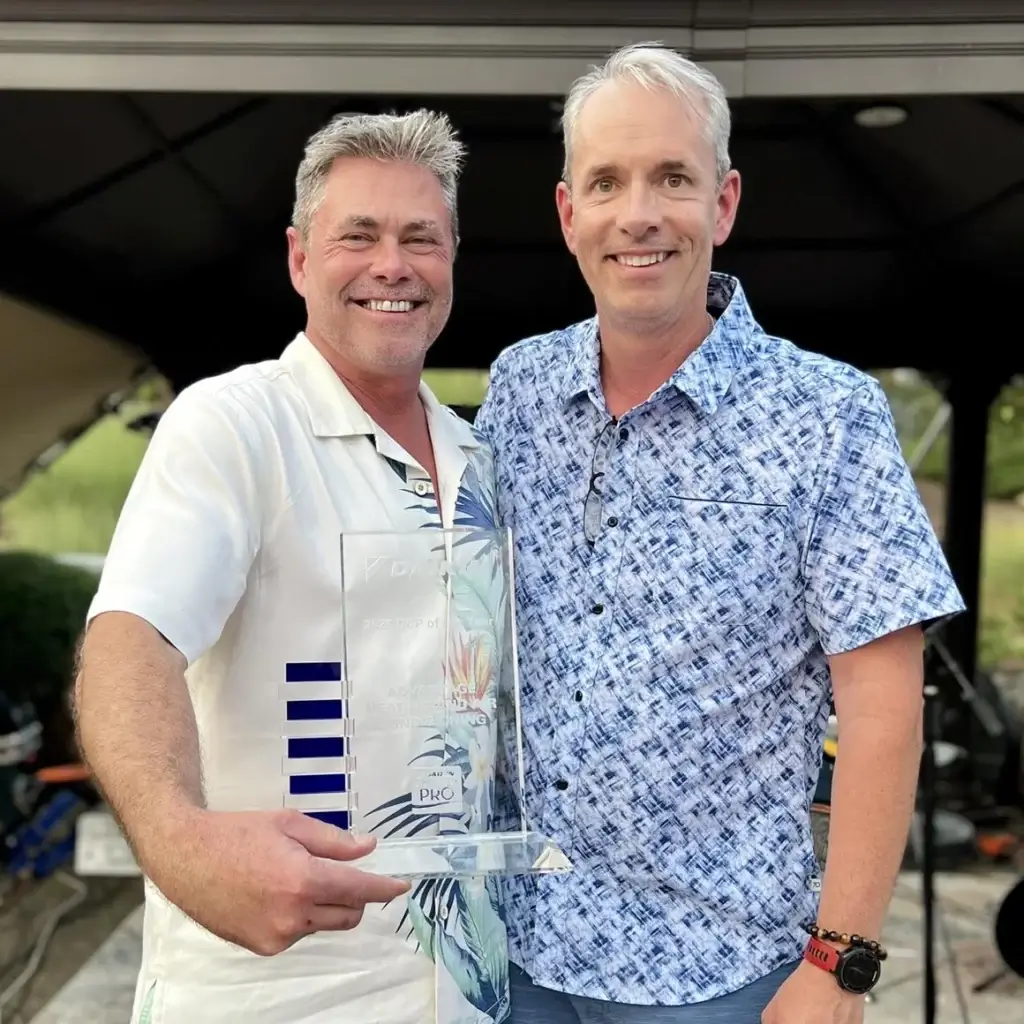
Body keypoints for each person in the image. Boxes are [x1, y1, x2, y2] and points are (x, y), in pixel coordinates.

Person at [475, 42, 965, 1024]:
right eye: (606, 181)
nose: (639, 213)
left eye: (672, 178)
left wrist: (840, 964)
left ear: (724, 203)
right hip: (516, 953)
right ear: (569, 215)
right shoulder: (517, 389)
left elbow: (883, 708)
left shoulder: (827, 413)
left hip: (718, 972)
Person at [73, 109, 510, 1024]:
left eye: (421, 239)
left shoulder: (483, 462)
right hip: (276, 994)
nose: (393, 265)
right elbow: (131, 640)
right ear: (300, 259)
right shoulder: (234, 427)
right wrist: (181, 843)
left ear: (452, 260)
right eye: (359, 235)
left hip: (466, 994)